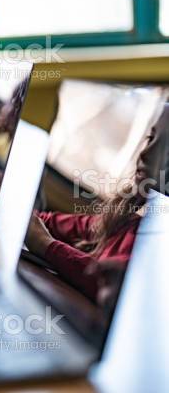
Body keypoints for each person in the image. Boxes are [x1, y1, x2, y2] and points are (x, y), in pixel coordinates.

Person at [25, 109, 168, 301]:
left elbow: (115, 285)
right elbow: (58, 224)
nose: (145, 154)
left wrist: (46, 246)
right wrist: (13, 205)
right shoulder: (128, 222)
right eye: (150, 139)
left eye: (165, 149)